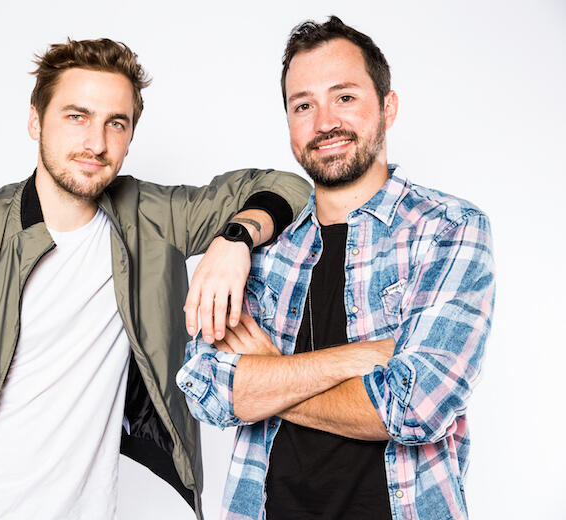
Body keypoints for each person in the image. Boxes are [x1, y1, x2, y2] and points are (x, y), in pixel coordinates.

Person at [0, 38, 311, 520]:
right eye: (77, 116)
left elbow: (288, 187)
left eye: (115, 123)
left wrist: (235, 237)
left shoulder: (150, 218)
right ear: (36, 120)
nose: (97, 144)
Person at [178, 16, 495, 520]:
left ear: (388, 107)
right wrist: (363, 358)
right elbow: (207, 390)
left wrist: (269, 375)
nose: (324, 122)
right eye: (303, 105)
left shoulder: (447, 229)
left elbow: (415, 407)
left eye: (344, 97)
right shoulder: (263, 253)